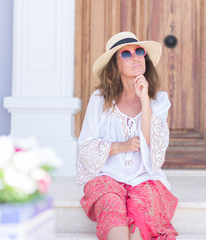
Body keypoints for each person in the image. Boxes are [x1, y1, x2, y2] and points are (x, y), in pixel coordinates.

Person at [77, 31, 178, 240]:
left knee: (142, 214)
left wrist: (144, 101)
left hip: (145, 178)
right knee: (112, 208)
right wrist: (121, 146)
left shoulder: (158, 101)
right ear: (115, 65)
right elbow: (85, 147)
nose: (135, 57)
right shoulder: (100, 99)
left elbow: (155, 151)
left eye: (139, 51)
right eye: (126, 54)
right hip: (107, 178)